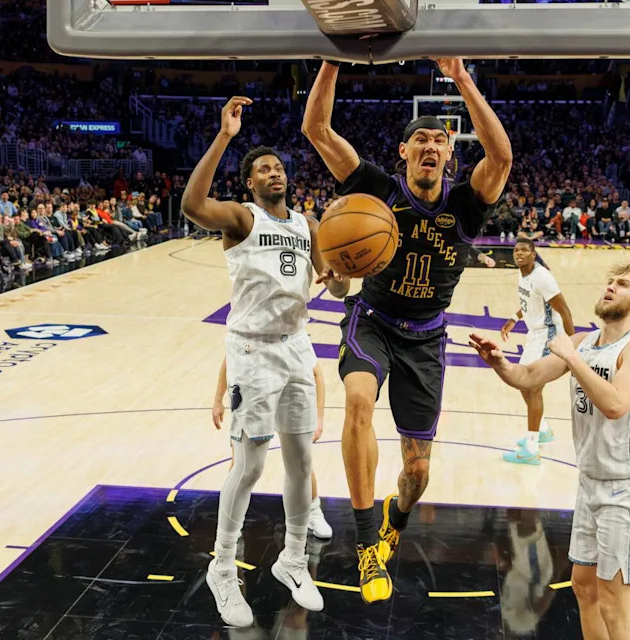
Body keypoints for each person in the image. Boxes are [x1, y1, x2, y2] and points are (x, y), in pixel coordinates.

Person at [301, 57, 512, 603]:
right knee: (357, 404)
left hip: (426, 336)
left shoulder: (466, 205)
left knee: (417, 471)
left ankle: (396, 516)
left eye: (438, 140)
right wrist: (331, 59)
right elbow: (316, 130)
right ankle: (367, 543)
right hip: (372, 321)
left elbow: (502, 156)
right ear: (403, 152)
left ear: (448, 152)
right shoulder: (374, 188)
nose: (428, 146)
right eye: (418, 138)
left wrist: (462, 77)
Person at [181, 96, 349, 626]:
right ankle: (223, 568)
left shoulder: (308, 224)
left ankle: (293, 560)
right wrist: (226, 136)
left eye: (278, 167)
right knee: (250, 466)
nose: (274, 173)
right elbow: (191, 204)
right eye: (263, 170)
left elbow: (337, 286)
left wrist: (343, 275)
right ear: (249, 183)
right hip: (252, 349)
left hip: (297, 345)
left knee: (301, 462)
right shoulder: (240, 218)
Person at [470, 262, 630, 640]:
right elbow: (527, 377)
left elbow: (617, 404)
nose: (610, 286)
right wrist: (500, 363)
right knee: (584, 589)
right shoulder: (582, 343)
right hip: (591, 483)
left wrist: (574, 361)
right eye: (609, 280)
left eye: (621, 284)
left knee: (614, 603)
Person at [211, 356, 333, 539]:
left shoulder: (290, 336)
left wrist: (319, 417)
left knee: (300, 460)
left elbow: (317, 374)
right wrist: (218, 400)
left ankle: (313, 511)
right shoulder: (247, 335)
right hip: (253, 397)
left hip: (288, 398)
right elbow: (228, 359)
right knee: (241, 463)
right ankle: (232, 525)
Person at [499, 238, 574, 465]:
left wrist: (572, 345)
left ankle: (532, 448)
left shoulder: (543, 277)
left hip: (548, 335)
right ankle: (542, 430)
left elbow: (564, 309)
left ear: (533, 254)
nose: (519, 253)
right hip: (534, 335)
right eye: (516, 250)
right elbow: (528, 302)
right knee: (523, 383)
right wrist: (514, 319)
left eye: (524, 250)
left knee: (531, 387)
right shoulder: (522, 274)